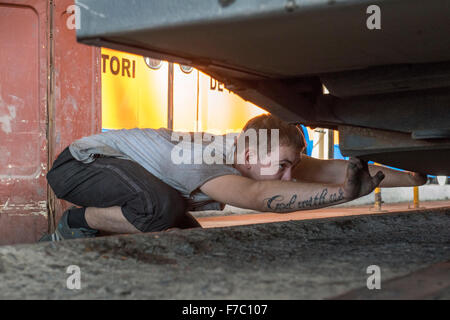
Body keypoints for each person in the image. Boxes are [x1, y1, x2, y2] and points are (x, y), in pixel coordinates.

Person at [39, 114, 427, 241]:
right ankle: (75, 223)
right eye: (283, 167)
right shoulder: (204, 159)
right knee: (161, 208)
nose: (289, 178)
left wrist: (412, 176)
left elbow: (332, 169)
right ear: (246, 155)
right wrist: (343, 195)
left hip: (125, 175)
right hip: (80, 165)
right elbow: (258, 195)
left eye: (291, 166)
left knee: (193, 242)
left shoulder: (263, 151)